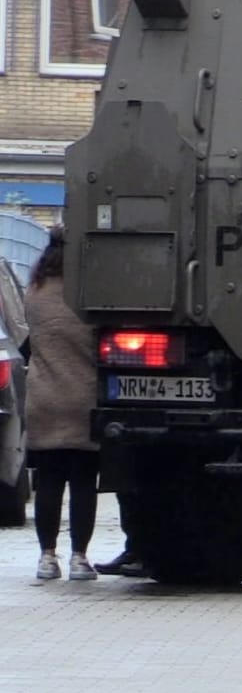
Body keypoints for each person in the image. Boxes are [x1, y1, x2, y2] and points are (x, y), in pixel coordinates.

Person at [24, 225, 101, 581]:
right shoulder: (88, 293)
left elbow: (26, 338)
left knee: (50, 481)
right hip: (83, 397)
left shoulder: (35, 293)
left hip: (43, 398)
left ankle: (46, 557)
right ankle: (79, 558)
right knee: (83, 481)